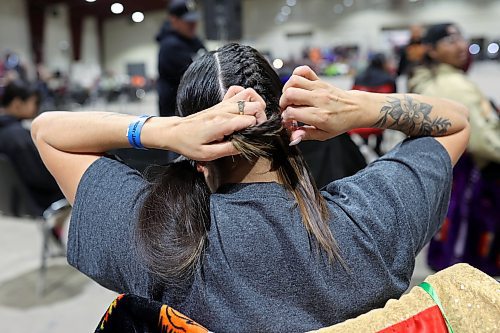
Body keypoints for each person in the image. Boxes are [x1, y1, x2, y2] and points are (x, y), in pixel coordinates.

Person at [32, 43, 469, 332]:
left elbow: (48, 131)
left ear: (195, 145)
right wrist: (359, 106)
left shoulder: (155, 238)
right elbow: (454, 124)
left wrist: (162, 131)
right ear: (288, 125)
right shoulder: (372, 218)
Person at [408, 23, 500, 276]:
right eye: (449, 41)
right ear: (432, 51)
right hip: (470, 173)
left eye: (460, 38)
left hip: (449, 172)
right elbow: (481, 141)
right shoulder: (451, 84)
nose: (460, 45)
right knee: (465, 250)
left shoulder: (434, 78)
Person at [0, 81, 63, 212]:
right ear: (17, 104)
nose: (37, 108)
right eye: (34, 103)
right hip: (42, 201)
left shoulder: (9, 132)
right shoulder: (17, 137)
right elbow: (42, 179)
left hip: (17, 200)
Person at [156, 0, 205, 117]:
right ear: (174, 20)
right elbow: (197, 77)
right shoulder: (170, 46)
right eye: (188, 21)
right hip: (176, 113)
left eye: (194, 20)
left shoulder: (194, 40)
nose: (193, 24)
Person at [351, 53, 397, 155]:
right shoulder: (388, 79)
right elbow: (394, 101)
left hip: (360, 119)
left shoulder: (359, 77)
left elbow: (352, 96)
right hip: (380, 119)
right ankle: (376, 150)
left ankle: (366, 150)